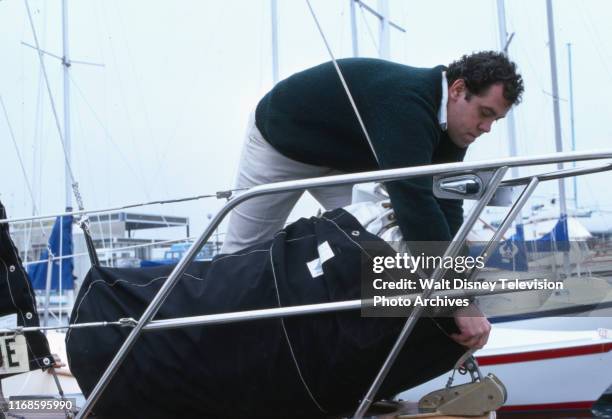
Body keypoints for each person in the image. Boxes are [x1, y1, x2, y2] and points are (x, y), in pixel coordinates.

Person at [221, 51, 524, 349]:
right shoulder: (408, 104)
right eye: (485, 113)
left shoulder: (454, 126)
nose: (486, 128)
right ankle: (216, 339)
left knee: (369, 247)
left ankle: (356, 349)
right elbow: (415, 206)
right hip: (282, 139)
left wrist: (461, 287)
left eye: (495, 120)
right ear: (458, 90)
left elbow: (445, 204)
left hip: (341, 157)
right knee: (241, 254)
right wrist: (458, 301)